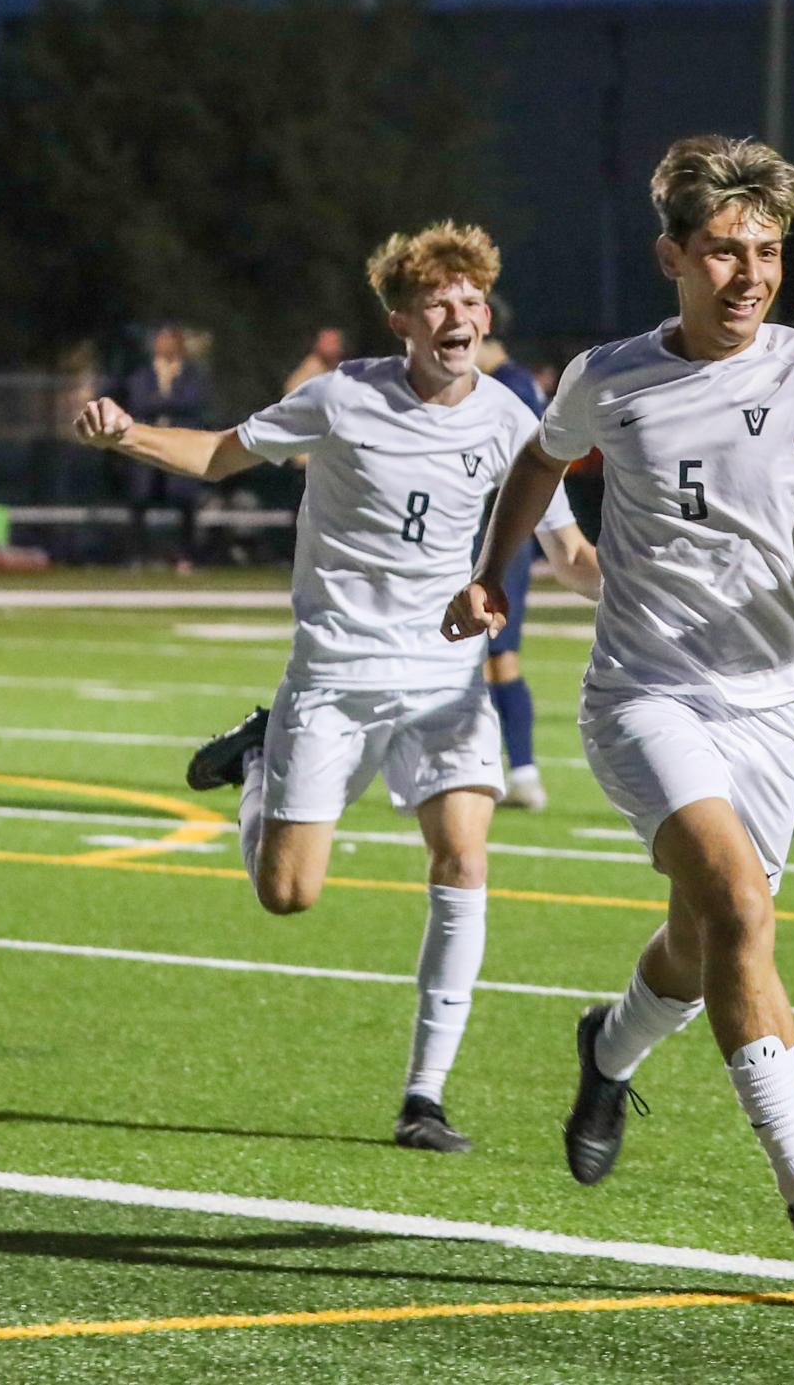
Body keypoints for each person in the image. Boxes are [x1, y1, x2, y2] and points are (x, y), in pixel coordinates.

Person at [448, 135, 794, 1270]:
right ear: (673, 253)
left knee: (705, 932)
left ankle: (608, 1051)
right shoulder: (610, 374)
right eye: (724, 250)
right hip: (643, 692)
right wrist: (493, 573)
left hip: (769, 704)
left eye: (767, 251)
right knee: (736, 904)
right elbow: (540, 461)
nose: (750, 274)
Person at [75, 223, 600, 1152]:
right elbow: (217, 455)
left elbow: (568, 554)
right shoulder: (342, 396)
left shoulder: (514, 418)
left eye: (471, 301)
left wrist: (657, 586)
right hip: (336, 671)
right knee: (288, 894)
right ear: (401, 319)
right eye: (438, 301)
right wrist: (125, 435)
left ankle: (424, 1095)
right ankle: (256, 763)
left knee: (464, 859)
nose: (459, 315)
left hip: (443, 679)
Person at [473, 296, 550, 810]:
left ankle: (515, 771)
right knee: (489, 660)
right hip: (494, 534)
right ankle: (510, 771)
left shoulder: (506, 387)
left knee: (493, 659)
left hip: (493, 534)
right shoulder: (514, 382)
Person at [120, 326, 212, 569]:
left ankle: (185, 556)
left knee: (185, 502)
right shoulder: (143, 374)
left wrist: (159, 402)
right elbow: (137, 402)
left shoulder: (191, 375)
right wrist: (168, 403)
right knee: (140, 499)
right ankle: (138, 556)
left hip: (179, 443)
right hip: (149, 443)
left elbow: (193, 402)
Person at [283, 327, 347, 396]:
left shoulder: (342, 367)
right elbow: (291, 390)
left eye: (333, 342)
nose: (328, 347)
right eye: (325, 342)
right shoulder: (312, 366)